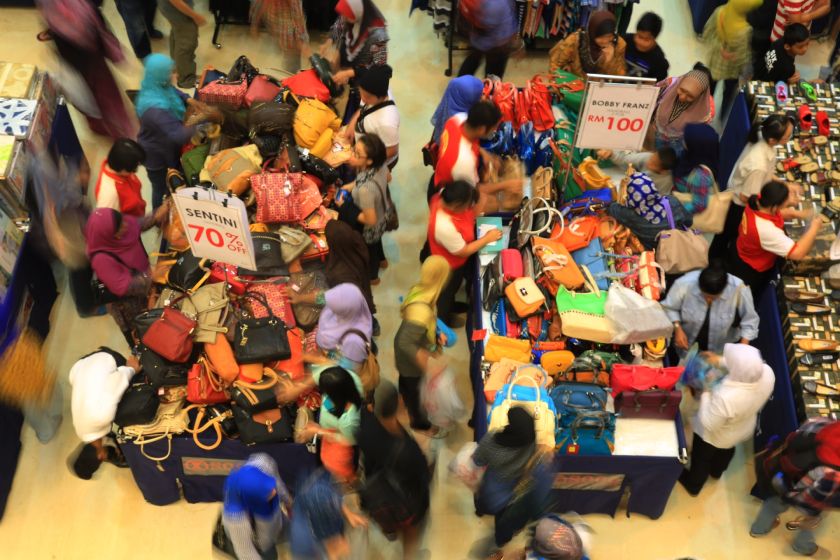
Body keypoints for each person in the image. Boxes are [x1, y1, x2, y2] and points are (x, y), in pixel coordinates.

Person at [679, 343, 775, 496]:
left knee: (701, 457)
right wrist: (718, 360)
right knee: (725, 452)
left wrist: (706, 391)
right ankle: (716, 472)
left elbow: (708, 423)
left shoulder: (727, 397)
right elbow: (747, 368)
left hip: (716, 436)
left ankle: (693, 485)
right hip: (742, 428)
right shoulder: (768, 374)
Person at [37, 0, 136, 139]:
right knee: (103, 97)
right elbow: (92, 23)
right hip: (87, 60)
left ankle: (104, 126)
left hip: (78, 59)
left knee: (92, 98)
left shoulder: (52, 8)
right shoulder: (69, 10)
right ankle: (117, 130)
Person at [357, 380, 431, 558]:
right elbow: (421, 477)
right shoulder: (408, 450)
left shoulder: (364, 422)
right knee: (411, 528)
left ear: (372, 406)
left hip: (376, 489)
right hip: (405, 498)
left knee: (384, 516)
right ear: (400, 401)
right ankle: (408, 555)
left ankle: (389, 531)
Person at [750, 418, 840, 556]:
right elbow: (815, 499)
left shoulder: (822, 424)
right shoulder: (834, 472)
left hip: (781, 477)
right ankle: (803, 546)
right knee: (812, 521)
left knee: (772, 505)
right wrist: (813, 513)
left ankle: (758, 529)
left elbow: (798, 431)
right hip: (801, 493)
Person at [710, 114, 794, 260]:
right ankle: (716, 261)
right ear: (774, 140)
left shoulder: (764, 135)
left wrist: (782, 184)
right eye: (787, 136)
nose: (789, 138)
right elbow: (746, 197)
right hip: (739, 205)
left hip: (744, 189)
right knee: (726, 236)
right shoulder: (758, 166)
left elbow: (766, 173)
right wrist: (778, 204)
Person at [473, 407, 552, 559]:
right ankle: (501, 539)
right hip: (515, 486)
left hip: (494, 487)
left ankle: (482, 515)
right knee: (503, 518)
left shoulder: (491, 440)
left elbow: (478, 460)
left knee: (486, 503)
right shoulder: (529, 441)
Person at [728, 180, 828, 299]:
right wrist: (814, 227)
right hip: (749, 267)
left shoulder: (759, 199)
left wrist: (796, 214)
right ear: (774, 206)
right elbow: (797, 253)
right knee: (746, 297)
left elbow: (777, 211)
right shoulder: (765, 229)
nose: (789, 203)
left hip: (741, 248)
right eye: (786, 202)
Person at [136, 54, 207, 209]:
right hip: (156, 156)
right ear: (161, 75)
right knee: (160, 187)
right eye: (171, 72)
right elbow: (179, 135)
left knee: (173, 175)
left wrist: (189, 99)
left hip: (166, 146)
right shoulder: (155, 110)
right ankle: (158, 213)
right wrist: (199, 120)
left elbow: (173, 91)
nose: (175, 75)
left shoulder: (155, 85)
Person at [427, 181, 502, 326]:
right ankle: (444, 320)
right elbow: (463, 251)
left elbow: (468, 214)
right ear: (457, 206)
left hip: (456, 260)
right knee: (446, 292)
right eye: (468, 205)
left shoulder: (443, 196)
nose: (470, 207)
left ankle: (452, 305)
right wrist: (488, 238)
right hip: (448, 266)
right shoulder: (444, 226)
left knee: (453, 288)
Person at [290, 220, 378, 333]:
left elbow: (328, 298)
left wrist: (300, 298)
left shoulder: (339, 275)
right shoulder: (357, 243)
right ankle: (374, 326)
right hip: (365, 298)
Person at [394, 256, 451, 431]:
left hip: (404, 354)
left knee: (406, 381)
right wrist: (428, 366)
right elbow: (406, 343)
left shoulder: (419, 289)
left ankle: (403, 396)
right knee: (416, 393)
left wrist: (436, 334)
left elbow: (420, 327)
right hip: (409, 360)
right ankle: (420, 423)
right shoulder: (422, 311)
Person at [662, 263, 759, 358]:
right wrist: (677, 327)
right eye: (705, 296)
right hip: (685, 346)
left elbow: (750, 321)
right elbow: (669, 307)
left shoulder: (739, 289)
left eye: (714, 298)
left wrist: (741, 349)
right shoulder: (684, 283)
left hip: (720, 352)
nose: (708, 300)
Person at [432, 100, 522, 201]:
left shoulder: (458, 119)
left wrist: (484, 153)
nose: (494, 131)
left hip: (444, 170)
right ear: (482, 129)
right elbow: (476, 191)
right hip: (451, 191)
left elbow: (461, 142)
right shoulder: (464, 161)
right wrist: (506, 185)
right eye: (493, 128)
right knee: (492, 203)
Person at [85, 208, 151, 347]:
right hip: (129, 308)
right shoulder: (101, 260)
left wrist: (159, 213)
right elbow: (125, 287)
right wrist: (150, 277)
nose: (126, 226)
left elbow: (137, 224)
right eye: (120, 227)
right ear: (108, 234)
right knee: (144, 336)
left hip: (145, 292)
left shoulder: (121, 229)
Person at [67, 347, 135, 479]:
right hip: (80, 367)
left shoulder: (102, 417)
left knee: (132, 390)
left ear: (101, 456)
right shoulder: (80, 430)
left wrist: (131, 369)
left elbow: (116, 382)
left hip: (106, 359)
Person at [335, 133, 390, 283]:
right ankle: (383, 261)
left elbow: (370, 220)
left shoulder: (366, 190)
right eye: (354, 149)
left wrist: (345, 206)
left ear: (370, 160)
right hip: (383, 213)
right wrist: (349, 187)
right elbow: (388, 178)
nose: (351, 155)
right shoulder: (381, 165)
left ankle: (373, 277)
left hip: (371, 225)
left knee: (369, 250)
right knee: (377, 243)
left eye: (357, 154)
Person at [296, 366, 364, 482]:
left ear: (336, 394)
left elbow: (348, 441)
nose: (324, 394)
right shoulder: (350, 380)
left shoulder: (348, 421)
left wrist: (318, 431)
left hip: (338, 447)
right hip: (328, 432)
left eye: (326, 392)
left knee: (342, 473)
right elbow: (324, 372)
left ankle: (350, 481)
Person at [325, 0, 389, 120]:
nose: (343, 18)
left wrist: (351, 72)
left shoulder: (378, 35)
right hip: (350, 65)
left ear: (358, 14)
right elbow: (340, 24)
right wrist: (330, 40)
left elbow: (378, 69)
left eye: (347, 15)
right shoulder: (353, 15)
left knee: (358, 106)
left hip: (363, 78)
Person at [222, 454, 292, 560]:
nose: (273, 492)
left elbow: (277, 484)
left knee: (285, 528)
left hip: (267, 518)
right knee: (270, 555)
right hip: (253, 537)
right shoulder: (236, 521)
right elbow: (246, 554)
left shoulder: (263, 462)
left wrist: (288, 502)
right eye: (267, 495)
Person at [289, 468, 368, 559]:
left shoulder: (321, 480)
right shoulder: (303, 545)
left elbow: (333, 498)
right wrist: (332, 553)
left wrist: (349, 514)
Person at [702, 0, 759, 118]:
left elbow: (707, 32)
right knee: (727, 94)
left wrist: (720, 48)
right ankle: (722, 116)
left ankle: (705, 114)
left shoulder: (720, 12)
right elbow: (743, 57)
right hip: (732, 70)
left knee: (709, 91)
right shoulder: (745, 29)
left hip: (715, 62)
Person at [343, 65, 400, 169]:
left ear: (381, 97)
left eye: (367, 97)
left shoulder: (387, 123)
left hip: (376, 163)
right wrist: (352, 124)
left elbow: (392, 150)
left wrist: (364, 161)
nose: (363, 99)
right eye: (361, 93)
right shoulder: (373, 92)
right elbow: (363, 108)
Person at [313, 283, 373, 373]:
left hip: (333, 368)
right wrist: (299, 298)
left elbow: (348, 371)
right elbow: (321, 298)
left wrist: (313, 359)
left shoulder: (354, 341)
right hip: (322, 353)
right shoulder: (345, 301)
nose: (329, 308)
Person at [653, 66, 713, 154]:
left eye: (690, 96)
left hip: (678, 143)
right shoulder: (669, 85)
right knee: (657, 153)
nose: (682, 97)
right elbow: (650, 97)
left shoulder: (704, 112)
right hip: (657, 133)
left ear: (699, 96)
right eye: (681, 90)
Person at [549, 10, 627, 78]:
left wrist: (610, 61)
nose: (605, 41)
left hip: (601, 88)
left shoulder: (618, 44)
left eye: (609, 36)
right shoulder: (576, 40)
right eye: (601, 37)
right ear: (593, 32)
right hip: (574, 86)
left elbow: (619, 77)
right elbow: (555, 65)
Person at [457, 0, 520, 79]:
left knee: (472, 62)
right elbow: (487, 25)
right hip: (497, 43)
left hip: (480, 40)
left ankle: (460, 86)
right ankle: (489, 89)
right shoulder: (496, 4)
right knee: (493, 77)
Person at [671, 123, 719, 215]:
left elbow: (699, 204)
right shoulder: (691, 155)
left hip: (681, 214)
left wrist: (673, 212)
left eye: (686, 139)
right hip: (676, 197)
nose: (682, 139)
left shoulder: (701, 175)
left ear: (695, 145)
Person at [250, 0, 309, 72]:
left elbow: (297, 19)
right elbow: (258, 5)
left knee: (291, 63)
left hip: (288, 30)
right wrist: (255, 24)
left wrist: (301, 40)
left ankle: (289, 74)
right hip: (275, 26)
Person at [158, 0, 206, 88]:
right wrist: (194, 16)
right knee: (186, 42)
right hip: (177, 9)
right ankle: (186, 79)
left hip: (170, 7)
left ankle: (178, 68)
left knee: (178, 34)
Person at [94, 139, 147, 218]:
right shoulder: (109, 195)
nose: (134, 172)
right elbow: (107, 224)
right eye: (134, 168)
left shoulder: (118, 168)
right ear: (122, 168)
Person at [596, 146, 677, 194]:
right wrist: (611, 154)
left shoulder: (666, 181)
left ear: (663, 171)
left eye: (653, 163)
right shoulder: (648, 157)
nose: (649, 161)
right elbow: (625, 159)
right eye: (652, 157)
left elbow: (657, 201)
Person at [430, 75, 484, 143]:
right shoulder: (467, 123)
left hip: (440, 141)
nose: (482, 97)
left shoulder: (447, 104)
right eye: (480, 95)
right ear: (471, 99)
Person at [623, 11, 670, 81]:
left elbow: (657, 83)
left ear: (655, 38)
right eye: (639, 37)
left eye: (647, 39)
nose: (641, 42)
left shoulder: (659, 60)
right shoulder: (624, 41)